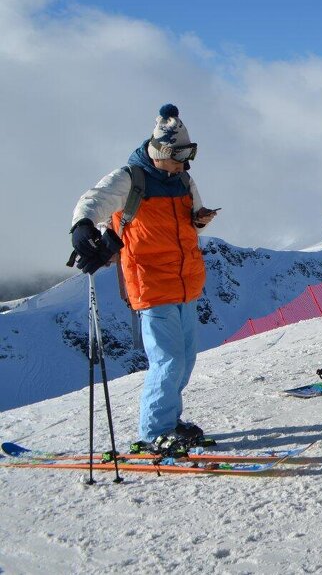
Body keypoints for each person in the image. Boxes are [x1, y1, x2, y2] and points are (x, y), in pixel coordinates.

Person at [69, 104, 217, 451]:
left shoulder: (182, 179)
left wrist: (200, 219)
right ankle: (153, 433)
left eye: (188, 154)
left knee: (185, 360)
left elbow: (192, 214)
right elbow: (92, 201)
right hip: (150, 283)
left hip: (186, 282)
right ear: (161, 150)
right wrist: (82, 226)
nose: (185, 163)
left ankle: (170, 421)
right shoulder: (130, 178)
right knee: (168, 361)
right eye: (179, 155)